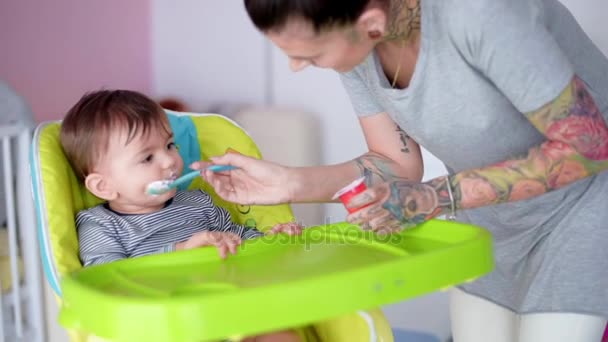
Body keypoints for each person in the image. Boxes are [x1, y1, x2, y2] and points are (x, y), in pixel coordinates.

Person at [191, 0, 608, 341]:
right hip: (493, 218)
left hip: (585, 207)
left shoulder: (482, 14)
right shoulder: (359, 48)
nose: (297, 66)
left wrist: (436, 197)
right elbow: (397, 163)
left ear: (372, 22)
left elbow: (589, 145)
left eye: (310, 54)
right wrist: (288, 183)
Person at [60, 89, 303, 342]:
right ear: (103, 187)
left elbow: (238, 238)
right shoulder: (101, 225)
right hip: (162, 326)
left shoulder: (198, 202)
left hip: (228, 308)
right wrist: (179, 251)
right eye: (147, 157)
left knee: (282, 335)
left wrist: (272, 241)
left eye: (169, 145)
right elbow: (107, 278)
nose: (170, 160)